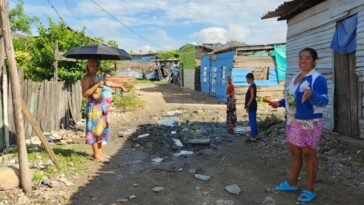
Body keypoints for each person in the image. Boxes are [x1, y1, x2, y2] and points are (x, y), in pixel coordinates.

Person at [269, 48, 329, 203]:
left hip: (309, 122)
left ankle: (310, 189)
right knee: (295, 152)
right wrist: (279, 103)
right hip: (293, 121)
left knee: (309, 154)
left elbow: (324, 101)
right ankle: (293, 183)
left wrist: (312, 95)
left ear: (314, 60)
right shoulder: (296, 77)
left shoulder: (317, 79)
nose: (303, 60)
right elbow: (291, 98)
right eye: (301, 57)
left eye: (307, 58)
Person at [81, 59, 123, 163]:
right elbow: (85, 94)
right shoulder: (86, 78)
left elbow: (107, 83)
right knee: (94, 132)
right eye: (93, 64)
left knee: (100, 131)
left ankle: (100, 153)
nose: (96, 66)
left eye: (98, 64)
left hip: (101, 107)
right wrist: (96, 85)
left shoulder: (97, 77)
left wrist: (120, 86)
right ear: (88, 66)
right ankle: (96, 155)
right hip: (93, 109)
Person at [245, 73, 258, 142]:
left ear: (250, 79)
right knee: (253, 120)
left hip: (252, 106)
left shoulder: (252, 86)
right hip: (252, 105)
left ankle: (253, 137)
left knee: (252, 121)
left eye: (247, 79)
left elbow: (252, 97)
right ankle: (255, 134)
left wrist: (247, 105)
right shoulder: (252, 86)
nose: (246, 80)